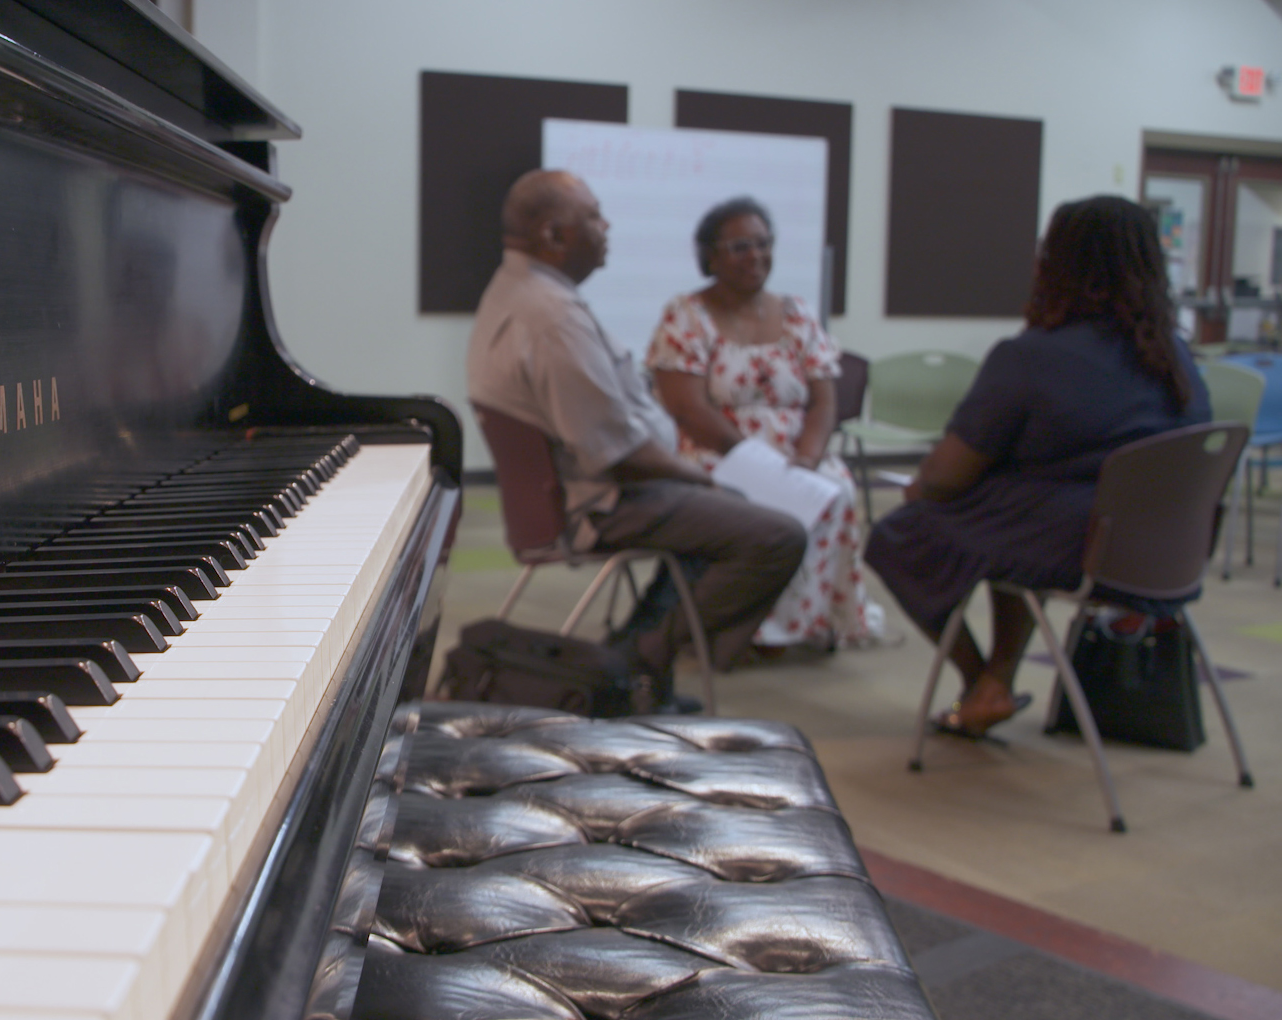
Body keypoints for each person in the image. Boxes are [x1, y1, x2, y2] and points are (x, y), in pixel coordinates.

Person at [864, 195, 1211, 738]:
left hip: (1080, 545)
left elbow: (944, 475)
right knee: (1007, 524)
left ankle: (983, 680)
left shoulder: (1033, 356)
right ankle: (995, 683)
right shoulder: (1173, 356)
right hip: (1163, 552)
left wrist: (920, 490)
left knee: (899, 534)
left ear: (1059, 263)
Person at [467, 170, 806, 699]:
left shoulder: (519, 291)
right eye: (595, 216)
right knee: (776, 536)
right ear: (555, 236)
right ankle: (640, 659)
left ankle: (632, 659)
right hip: (603, 501)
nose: (607, 226)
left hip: (586, 491)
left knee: (719, 521)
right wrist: (697, 477)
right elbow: (616, 453)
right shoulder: (552, 316)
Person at [647, 196, 883, 650]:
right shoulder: (685, 316)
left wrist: (807, 457)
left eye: (762, 244)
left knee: (835, 489)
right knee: (753, 499)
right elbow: (688, 409)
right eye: (739, 247)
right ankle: (740, 629)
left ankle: (804, 625)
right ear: (710, 256)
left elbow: (822, 402)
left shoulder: (797, 314)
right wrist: (757, 462)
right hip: (718, 451)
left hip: (797, 450)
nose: (755, 256)